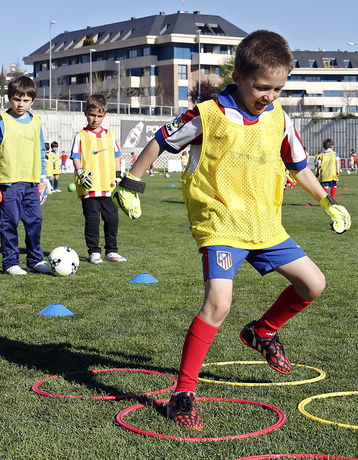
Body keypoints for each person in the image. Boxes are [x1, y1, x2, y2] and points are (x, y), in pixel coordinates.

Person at [112, 30, 351, 430]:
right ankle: (183, 394)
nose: (269, 96)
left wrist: (328, 202)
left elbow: (298, 166)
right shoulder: (208, 114)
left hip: (265, 225)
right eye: (261, 87)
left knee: (314, 284)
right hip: (221, 222)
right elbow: (160, 142)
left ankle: (263, 331)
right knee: (218, 303)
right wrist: (132, 183)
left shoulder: (279, 118)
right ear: (238, 76)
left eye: (278, 88)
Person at [0, 75, 51, 275]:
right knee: (10, 223)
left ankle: (35, 260)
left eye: (25, 100)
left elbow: (40, 152)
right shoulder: (0, 121)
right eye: (16, 99)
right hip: (8, 183)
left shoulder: (36, 122)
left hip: (31, 183)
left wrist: (43, 179)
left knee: (34, 222)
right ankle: (11, 263)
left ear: (32, 100)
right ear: (9, 97)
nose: (21, 104)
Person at [70, 94, 126, 264]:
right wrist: (80, 173)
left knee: (112, 219)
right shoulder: (81, 136)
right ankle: (94, 251)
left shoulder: (110, 135)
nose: (95, 119)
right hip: (90, 187)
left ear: (105, 116)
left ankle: (112, 251)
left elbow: (117, 157)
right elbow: (76, 157)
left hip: (109, 186)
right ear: (85, 112)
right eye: (92, 115)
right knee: (92, 220)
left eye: (99, 116)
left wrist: (118, 175)